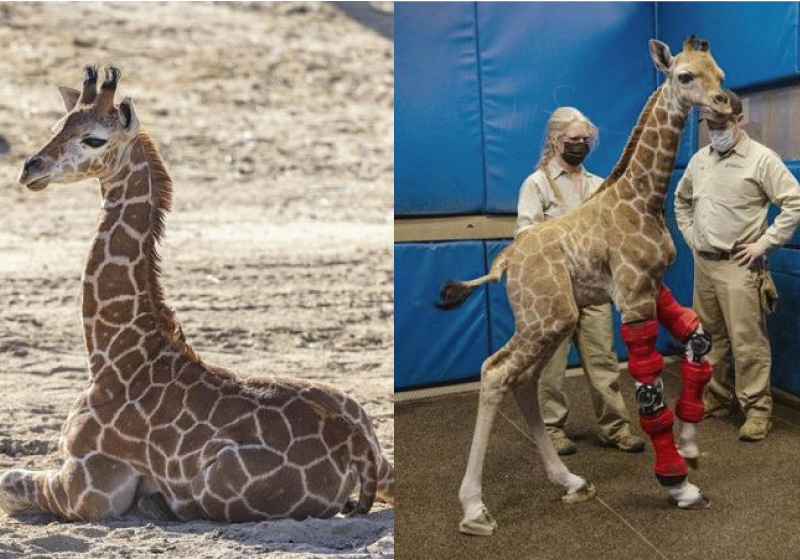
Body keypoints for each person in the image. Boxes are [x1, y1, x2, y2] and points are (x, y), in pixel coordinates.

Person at [515, 107, 645, 456]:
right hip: (554, 295)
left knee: (604, 359)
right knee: (551, 368)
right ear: (555, 140)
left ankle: (615, 428)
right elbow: (524, 235)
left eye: (585, 140)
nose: (580, 145)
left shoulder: (598, 185)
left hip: (594, 289)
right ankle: (552, 432)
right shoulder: (537, 184)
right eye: (573, 140)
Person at [675, 90, 800, 441]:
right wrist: (690, 236)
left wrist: (764, 243)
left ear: (739, 119)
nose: (715, 129)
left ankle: (757, 409)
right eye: (710, 124)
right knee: (708, 338)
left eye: (721, 123)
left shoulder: (762, 159)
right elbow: (681, 201)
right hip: (705, 264)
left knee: (748, 342)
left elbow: (794, 202)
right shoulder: (700, 160)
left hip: (740, 266)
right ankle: (716, 397)